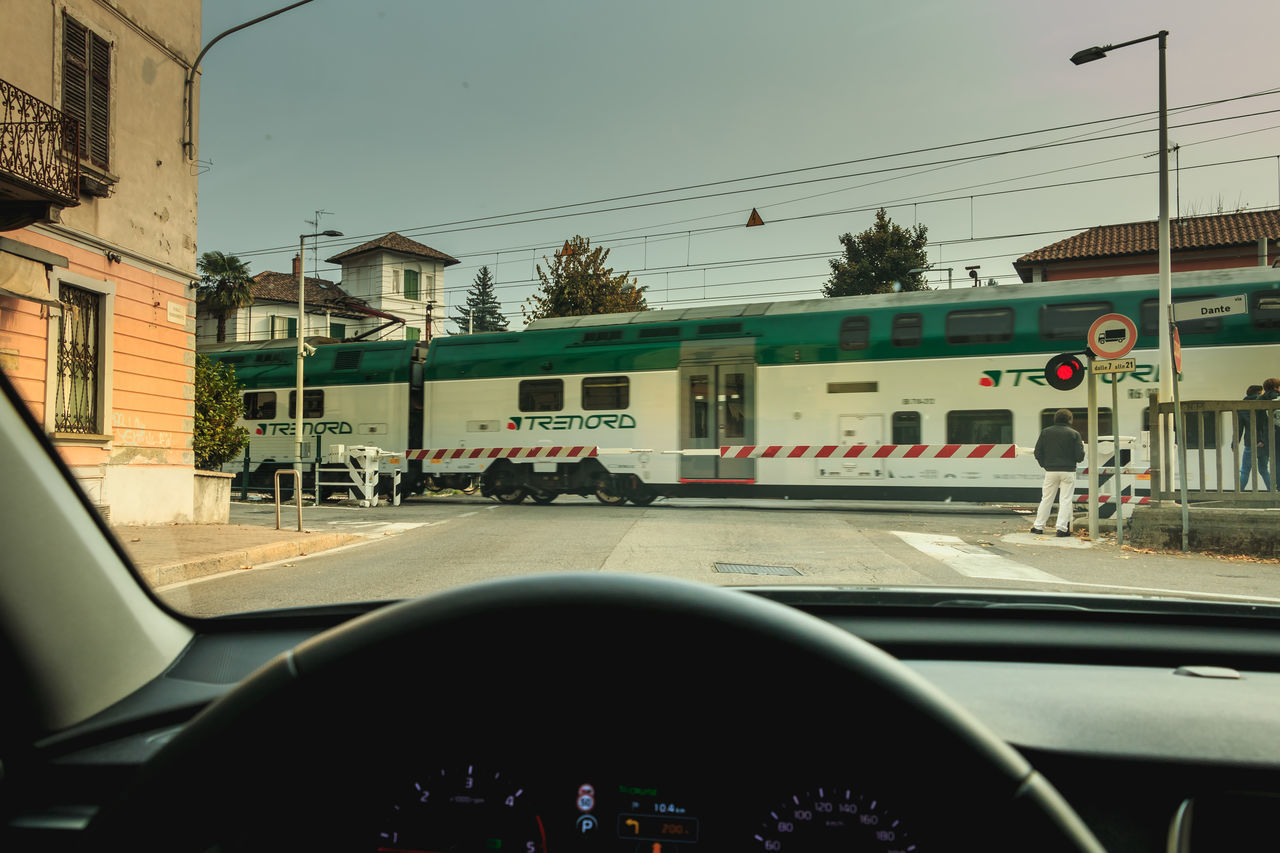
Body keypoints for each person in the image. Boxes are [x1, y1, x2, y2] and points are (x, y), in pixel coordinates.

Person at [1032, 408, 1085, 537]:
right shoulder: (1074, 434)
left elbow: (1037, 452)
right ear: (1069, 420)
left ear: (1055, 419)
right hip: (1068, 471)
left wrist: (1044, 465)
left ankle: (1038, 526)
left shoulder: (1046, 432)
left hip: (1051, 471)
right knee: (1065, 500)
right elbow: (1079, 457)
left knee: (1046, 498)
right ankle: (1061, 529)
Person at [1239, 384, 1265, 490]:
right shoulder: (1263, 404)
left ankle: (1239, 493)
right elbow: (1263, 424)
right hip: (1263, 442)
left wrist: (1234, 442)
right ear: (1259, 392)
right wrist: (1262, 439)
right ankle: (1272, 491)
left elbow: (1239, 427)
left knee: (1245, 470)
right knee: (1263, 470)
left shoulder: (1241, 406)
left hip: (1249, 442)